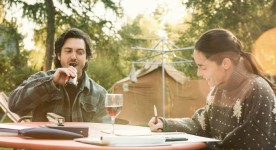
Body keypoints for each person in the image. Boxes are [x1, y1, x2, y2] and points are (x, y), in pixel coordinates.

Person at [148, 28, 276, 149]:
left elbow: (245, 146)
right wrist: (165, 125)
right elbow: (202, 125)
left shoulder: (257, 91)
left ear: (225, 63)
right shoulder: (218, 89)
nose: (198, 73)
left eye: (203, 67)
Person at [8, 28, 110, 123]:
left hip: (82, 142)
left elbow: (103, 132)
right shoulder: (40, 78)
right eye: (68, 51)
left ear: (86, 58)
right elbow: (14, 106)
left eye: (79, 52)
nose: (74, 57)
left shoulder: (100, 94)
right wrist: (51, 83)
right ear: (59, 55)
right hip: (46, 142)